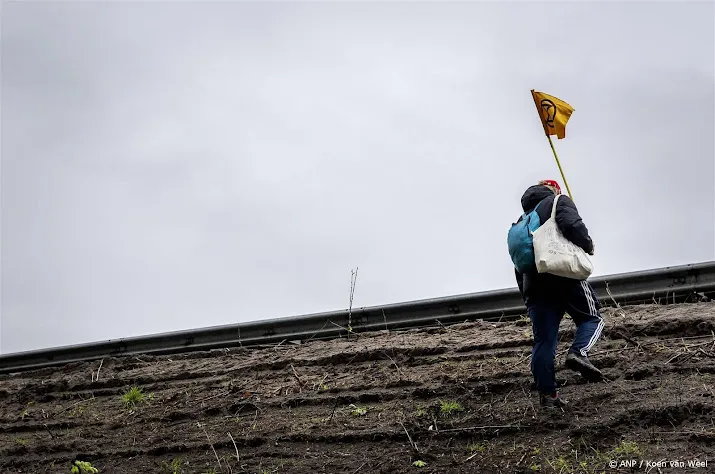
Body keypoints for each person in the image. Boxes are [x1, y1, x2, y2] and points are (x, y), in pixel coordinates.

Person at [513, 180, 604, 409]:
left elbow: (519, 265)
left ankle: (548, 396)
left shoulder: (522, 221)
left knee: (544, 342)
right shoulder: (557, 202)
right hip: (562, 272)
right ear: (553, 191)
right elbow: (572, 225)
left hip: (534, 284)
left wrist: (528, 296)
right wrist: (588, 244)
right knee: (592, 318)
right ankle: (578, 353)